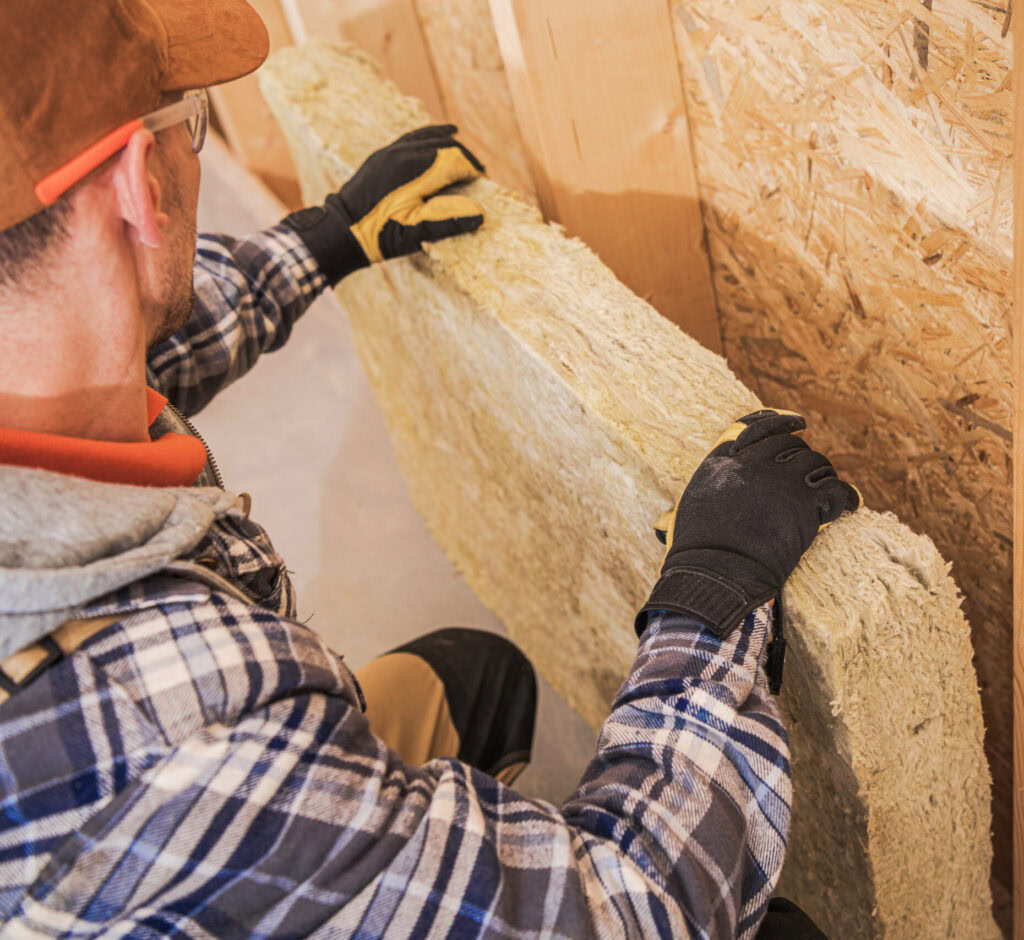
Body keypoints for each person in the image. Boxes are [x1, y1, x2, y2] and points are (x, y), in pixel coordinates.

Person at [0, 1, 859, 936]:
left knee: (476, 681)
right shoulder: (179, 729)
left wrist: (324, 238)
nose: (192, 143)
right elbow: (631, 912)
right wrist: (711, 599)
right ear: (139, 187)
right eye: (185, 118)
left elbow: (123, 337)